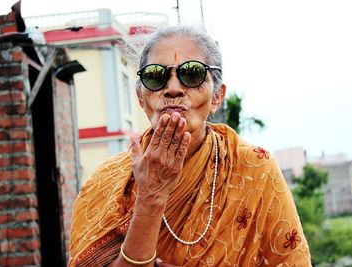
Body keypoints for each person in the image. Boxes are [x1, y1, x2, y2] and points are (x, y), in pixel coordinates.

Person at [68, 25, 311, 267]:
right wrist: (150, 196)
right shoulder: (105, 182)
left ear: (217, 96)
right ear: (141, 98)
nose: (173, 89)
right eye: (155, 76)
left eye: (192, 74)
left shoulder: (254, 168)